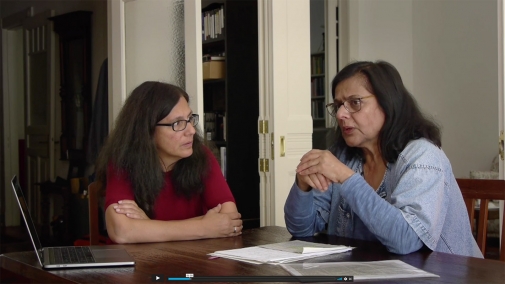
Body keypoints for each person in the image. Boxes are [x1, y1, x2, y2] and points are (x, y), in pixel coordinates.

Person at [284, 61, 482, 258]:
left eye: (355, 102)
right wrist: (303, 185)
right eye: (338, 106)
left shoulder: (424, 157)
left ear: (387, 103)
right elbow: (302, 230)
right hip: (371, 274)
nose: (341, 114)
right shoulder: (342, 155)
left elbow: (406, 240)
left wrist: (346, 178)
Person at [95, 81, 242, 243]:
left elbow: (230, 220)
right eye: (177, 123)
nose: (191, 130)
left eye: (189, 119)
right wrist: (204, 227)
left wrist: (147, 227)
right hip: (141, 264)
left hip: (192, 261)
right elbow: (121, 231)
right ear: (147, 130)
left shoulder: (202, 157)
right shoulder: (123, 162)